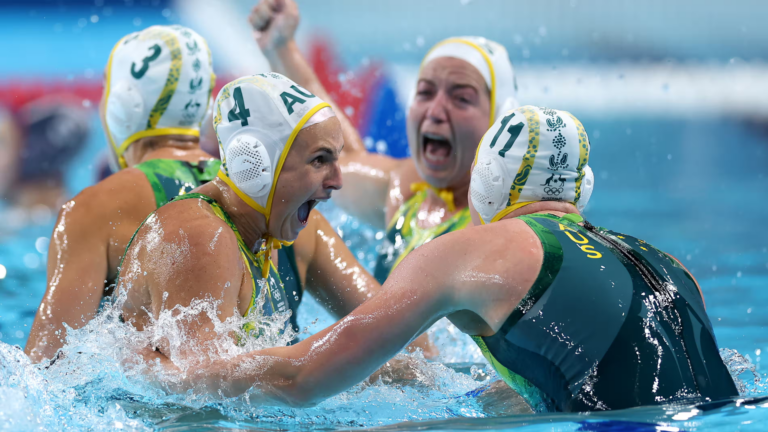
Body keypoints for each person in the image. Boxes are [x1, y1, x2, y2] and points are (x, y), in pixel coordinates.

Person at [160, 106, 738, 413]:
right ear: (580, 191)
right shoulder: (670, 267)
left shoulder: (465, 251)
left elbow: (301, 379)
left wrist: (174, 381)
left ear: (484, 182)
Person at [248, 0, 519, 283]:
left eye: (461, 98)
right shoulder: (408, 192)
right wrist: (281, 49)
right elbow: (343, 158)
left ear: (500, 121)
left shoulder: (507, 226)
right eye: (425, 93)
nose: (435, 111)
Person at [26, 25, 220, 363]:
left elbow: (41, 371)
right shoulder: (273, 197)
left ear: (122, 105)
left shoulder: (93, 209)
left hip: (150, 413)